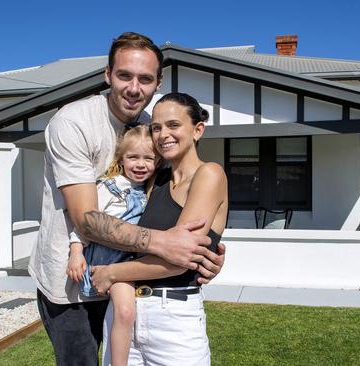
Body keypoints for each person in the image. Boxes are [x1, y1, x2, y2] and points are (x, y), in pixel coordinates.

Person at [28, 32, 226, 366]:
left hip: (129, 281)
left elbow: (174, 201)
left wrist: (205, 252)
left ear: (158, 83)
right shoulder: (74, 121)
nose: (134, 88)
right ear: (107, 75)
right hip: (71, 284)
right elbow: (85, 218)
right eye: (124, 76)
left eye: (145, 79)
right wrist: (163, 244)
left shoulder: (154, 129)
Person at [92, 92, 229, 365]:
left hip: (174, 320)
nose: (163, 134)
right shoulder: (154, 179)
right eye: (156, 127)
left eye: (173, 125)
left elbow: (180, 260)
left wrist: (110, 272)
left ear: (197, 130)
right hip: (125, 310)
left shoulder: (209, 174)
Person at [66, 125, 159, 366]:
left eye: (148, 158)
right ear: (121, 158)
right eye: (133, 157)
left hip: (135, 264)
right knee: (126, 312)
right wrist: (76, 252)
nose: (141, 164)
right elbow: (86, 223)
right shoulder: (110, 188)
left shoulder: (152, 191)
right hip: (111, 265)